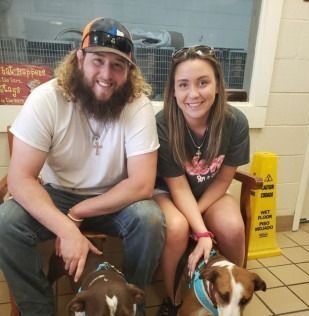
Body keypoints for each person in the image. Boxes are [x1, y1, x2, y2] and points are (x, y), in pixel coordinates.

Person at [0, 17, 165, 316]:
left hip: (114, 198)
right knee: (4, 222)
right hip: (56, 194)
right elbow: (21, 180)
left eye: (118, 65)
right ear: (79, 59)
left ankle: (131, 303)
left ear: (129, 70)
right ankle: (38, 310)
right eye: (98, 60)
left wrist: (78, 214)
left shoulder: (138, 104)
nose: (106, 74)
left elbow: (141, 184)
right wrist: (66, 228)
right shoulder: (46, 99)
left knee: (150, 219)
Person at [154, 45, 250, 315]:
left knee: (232, 227)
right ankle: (172, 297)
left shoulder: (235, 122)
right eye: (183, 84)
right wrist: (202, 231)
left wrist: (201, 227)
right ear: (173, 91)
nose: (193, 94)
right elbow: (178, 185)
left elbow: (223, 180)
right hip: (168, 192)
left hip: (210, 192)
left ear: (218, 86)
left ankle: (232, 292)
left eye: (203, 82)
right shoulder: (163, 123)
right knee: (176, 227)